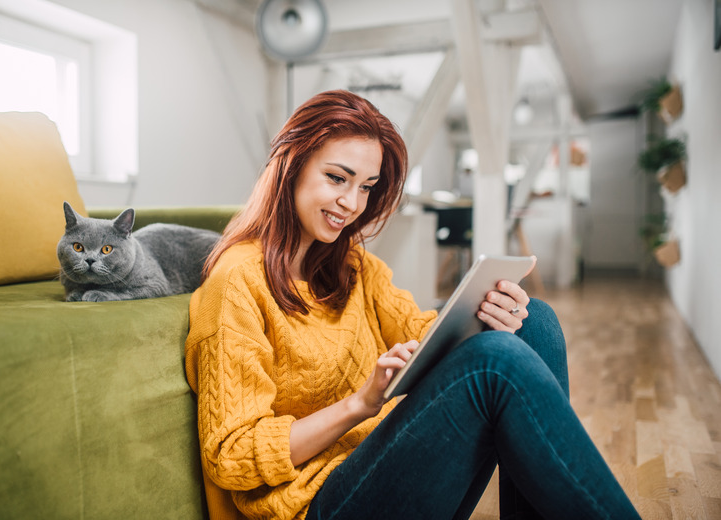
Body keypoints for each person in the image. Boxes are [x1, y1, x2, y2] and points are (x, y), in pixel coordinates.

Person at [184, 90, 640, 520]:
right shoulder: (237, 281)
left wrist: (491, 315)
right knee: (493, 362)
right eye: (337, 178)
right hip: (312, 504)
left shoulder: (352, 263)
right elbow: (232, 457)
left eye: (366, 186)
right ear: (290, 167)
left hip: (374, 459)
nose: (351, 203)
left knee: (532, 321)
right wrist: (360, 403)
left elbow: (424, 333)